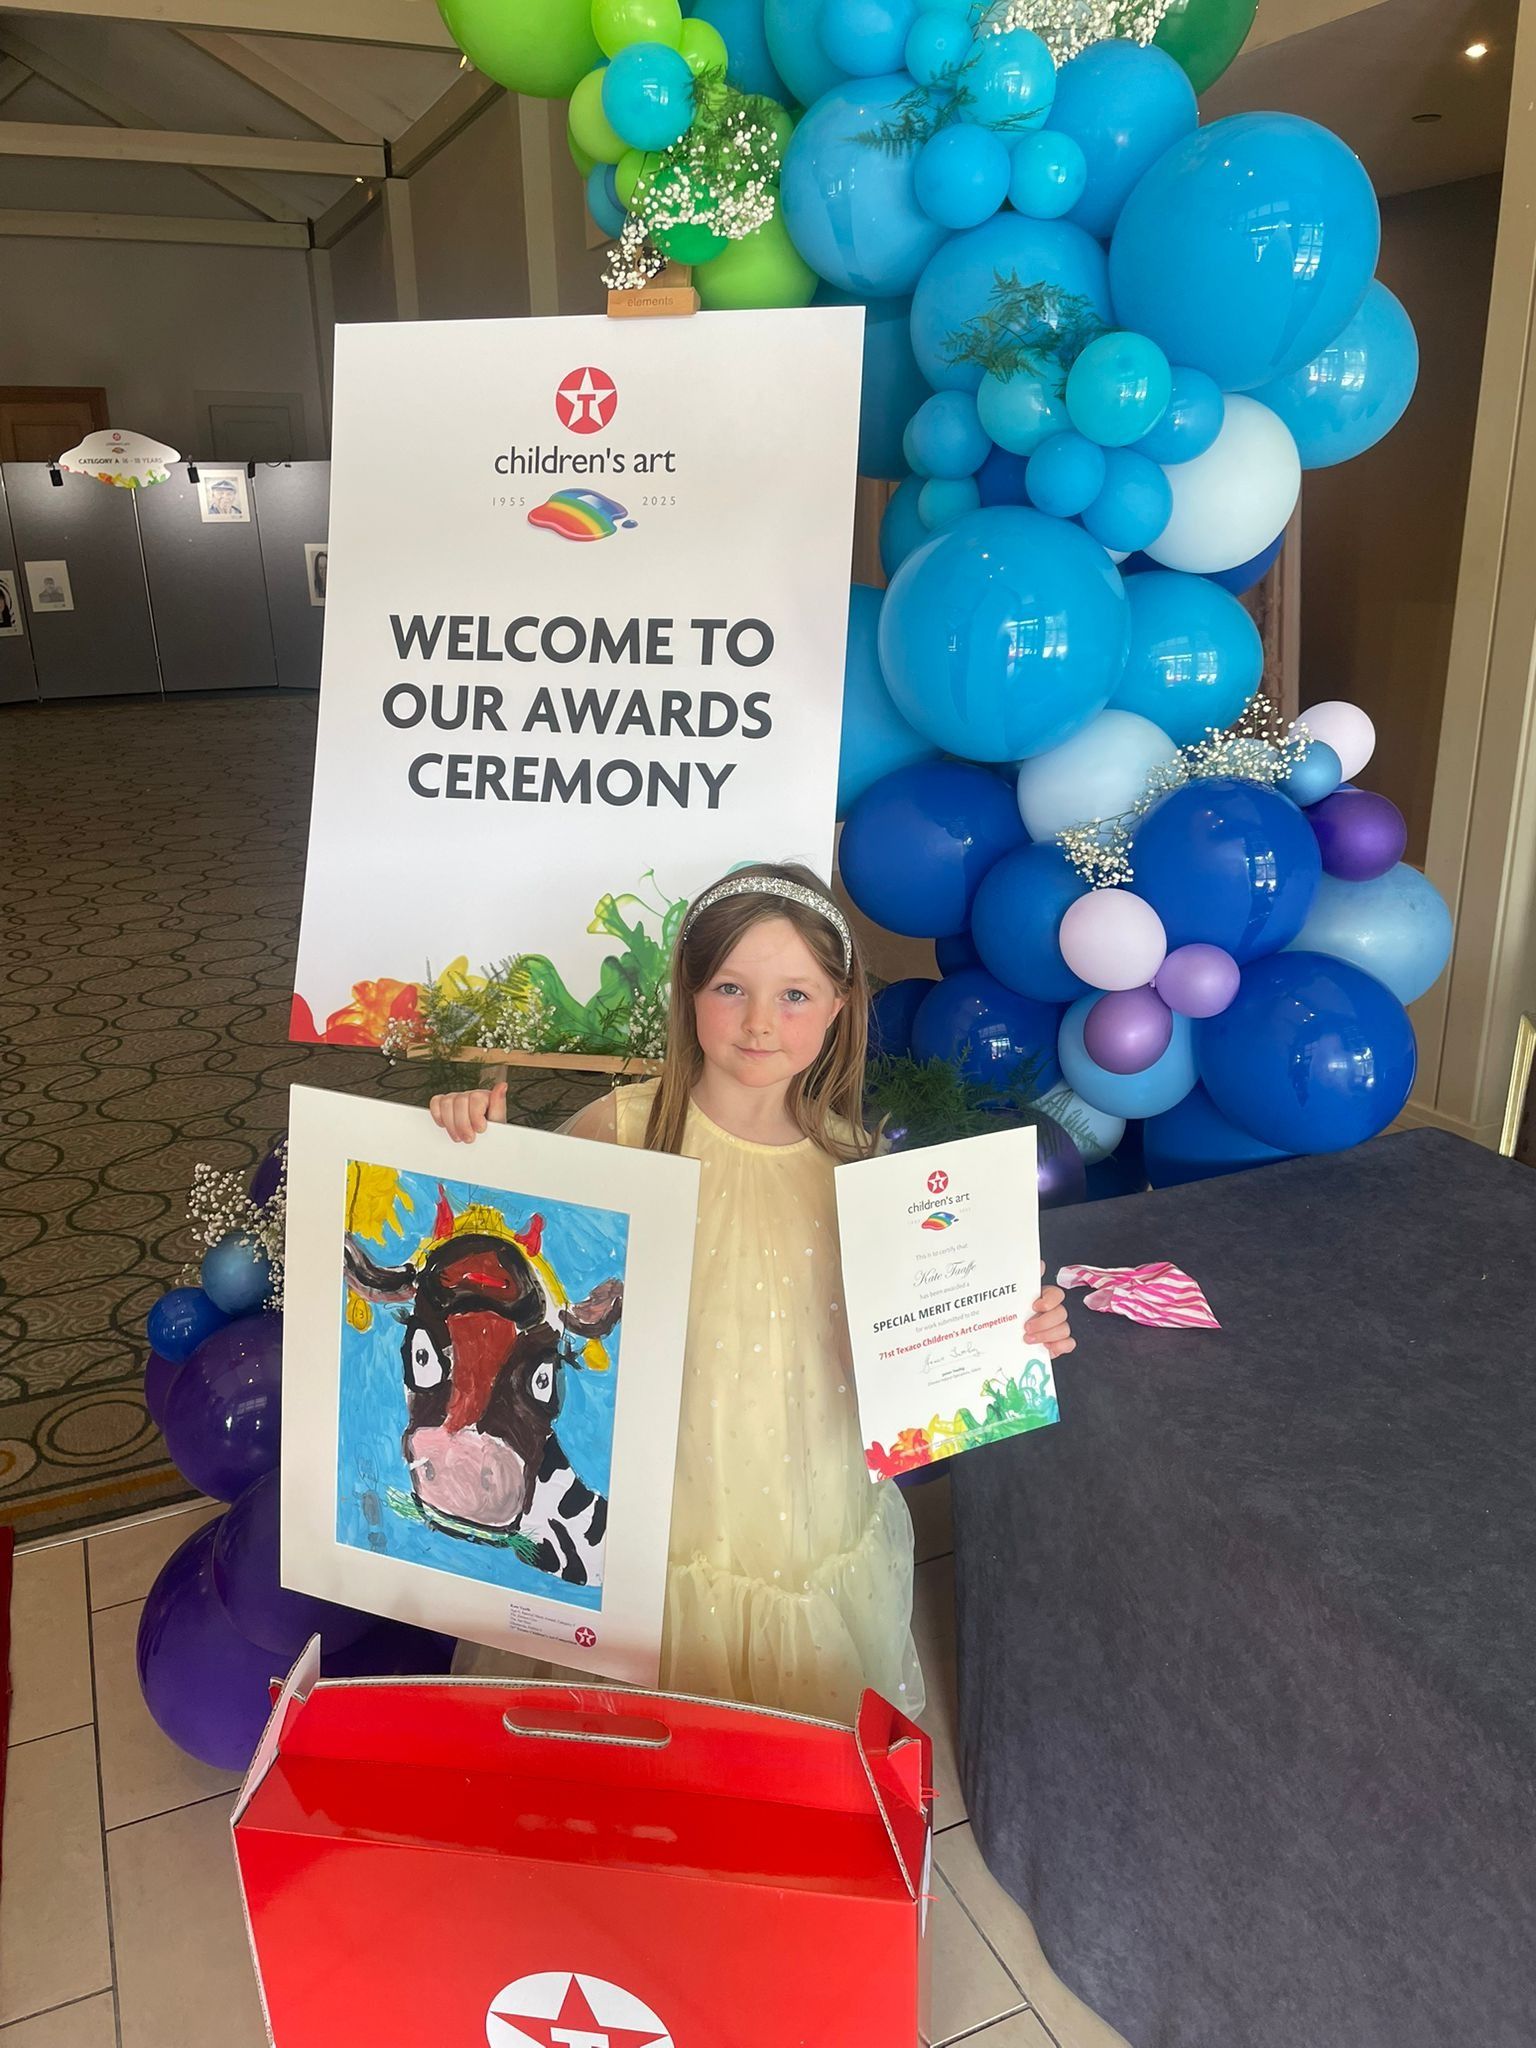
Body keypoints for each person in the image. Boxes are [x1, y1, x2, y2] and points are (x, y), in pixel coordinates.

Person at [430, 861, 1075, 1723]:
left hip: (797, 1498)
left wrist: (1005, 1330)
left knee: (779, 1732)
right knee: (623, 1735)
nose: (760, 1022)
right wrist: (471, 1144)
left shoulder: (861, 1168)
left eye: (795, 995)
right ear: (691, 993)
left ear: (840, 1004)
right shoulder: (621, 1130)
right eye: (731, 988)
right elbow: (517, 1274)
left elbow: (887, 1351)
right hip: (655, 1498)